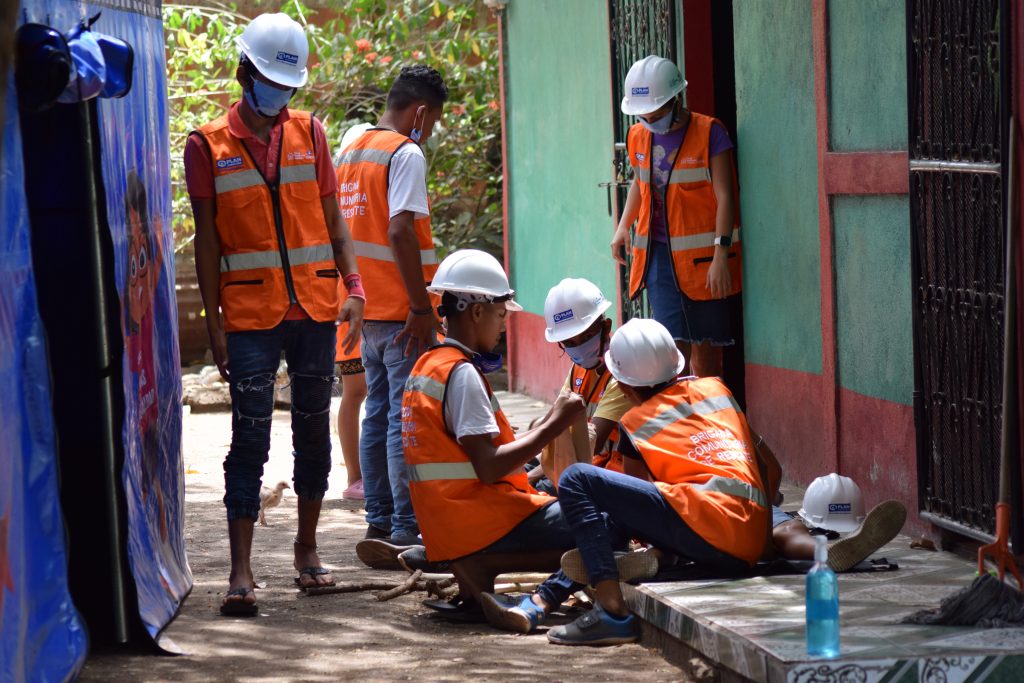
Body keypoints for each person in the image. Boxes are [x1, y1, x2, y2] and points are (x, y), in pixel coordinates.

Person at [185, 13, 364, 616]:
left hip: (314, 306)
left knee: (314, 430)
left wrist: (354, 286)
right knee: (250, 435)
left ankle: (307, 549)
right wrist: (214, 321)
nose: (278, 96)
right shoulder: (205, 145)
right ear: (244, 73)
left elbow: (334, 221)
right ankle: (240, 572)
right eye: (268, 80)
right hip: (248, 314)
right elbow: (207, 242)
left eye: (287, 86)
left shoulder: (310, 133)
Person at [482, 318, 768, 645]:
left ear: (626, 387)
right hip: (751, 541)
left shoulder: (636, 421)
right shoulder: (718, 391)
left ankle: (609, 611)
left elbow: (631, 515)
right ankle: (542, 600)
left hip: (710, 532)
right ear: (677, 365)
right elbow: (764, 470)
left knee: (577, 479)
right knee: (614, 514)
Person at [385, 249, 592, 620]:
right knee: (602, 520)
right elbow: (489, 468)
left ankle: (470, 573)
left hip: (451, 525)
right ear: (476, 312)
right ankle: (535, 596)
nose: (502, 327)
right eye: (499, 315)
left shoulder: (429, 365)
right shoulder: (461, 374)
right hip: (482, 525)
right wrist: (555, 424)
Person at [335, 66, 448, 554]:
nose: (433, 131)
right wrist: (422, 308)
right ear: (420, 112)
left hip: (362, 309)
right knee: (404, 419)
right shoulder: (405, 153)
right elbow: (401, 232)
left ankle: (378, 521)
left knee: (377, 413)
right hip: (403, 313)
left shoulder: (351, 149)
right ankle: (405, 526)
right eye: (435, 120)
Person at [610, 55, 742, 378]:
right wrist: (622, 228)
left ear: (675, 100)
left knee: (706, 353)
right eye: (642, 114)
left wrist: (721, 254)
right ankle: (681, 423)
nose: (647, 120)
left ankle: (711, 421)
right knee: (671, 349)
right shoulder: (638, 136)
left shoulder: (710, 133)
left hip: (703, 262)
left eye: (654, 113)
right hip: (658, 261)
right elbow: (640, 186)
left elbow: (727, 196)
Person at [526, 278, 642, 492]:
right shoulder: (579, 369)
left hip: (613, 475)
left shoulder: (622, 369)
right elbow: (553, 420)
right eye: (569, 343)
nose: (579, 349)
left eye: (587, 337)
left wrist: (534, 474)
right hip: (584, 466)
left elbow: (591, 443)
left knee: (535, 486)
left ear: (606, 327)